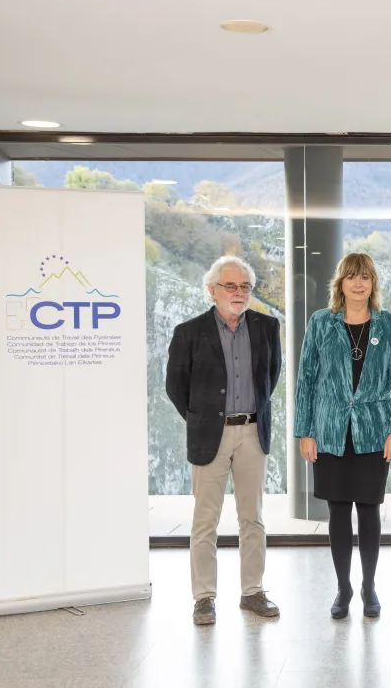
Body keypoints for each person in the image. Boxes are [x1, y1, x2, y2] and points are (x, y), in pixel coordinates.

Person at [165, 255, 282, 626]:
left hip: (252, 432)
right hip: (209, 435)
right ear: (212, 289)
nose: (239, 293)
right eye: (230, 286)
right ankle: (204, 598)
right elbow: (175, 387)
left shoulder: (267, 326)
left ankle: (253, 592)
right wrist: (204, 419)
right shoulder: (189, 331)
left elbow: (271, 377)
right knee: (205, 521)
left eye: (245, 286)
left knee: (253, 518)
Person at [294, 253, 391, 620]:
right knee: (338, 511)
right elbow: (306, 380)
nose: (358, 283)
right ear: (340, 283)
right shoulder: (320, 323)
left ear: (373, 283)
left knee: (370, 510)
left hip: (374, 432)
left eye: (365, 277)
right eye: (351, 277)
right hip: (329, 431)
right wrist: (304, 431)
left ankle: (369, 586)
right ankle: (343, 588)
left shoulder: (389, 324)